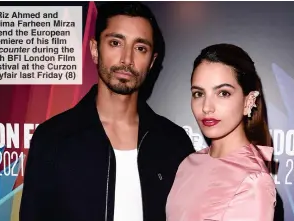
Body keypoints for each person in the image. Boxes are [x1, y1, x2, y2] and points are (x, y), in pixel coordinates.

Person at [19, 2, 195, 221]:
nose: (127, 59)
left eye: (140, 48)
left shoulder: (174, 142)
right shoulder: (53, 139)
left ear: (151, 62)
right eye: (115, 43)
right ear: (95, 50)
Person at [166, 43, 277, 221]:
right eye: (198, 94)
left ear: (248, 101)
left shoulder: (253, 181)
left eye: (223, 93)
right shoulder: (188, 163)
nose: (206, 107)